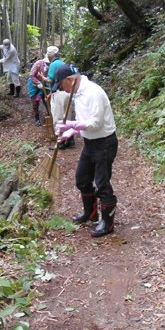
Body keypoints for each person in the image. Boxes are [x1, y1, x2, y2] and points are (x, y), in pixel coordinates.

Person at [53, 64, 118, 237]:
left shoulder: (93, 93)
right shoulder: (77, 93)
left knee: (102, 183)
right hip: (90, 143)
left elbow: (96, 123)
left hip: (104, 143)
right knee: (82, 179)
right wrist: (71, 132)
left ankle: (107, 222)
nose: (62, 90)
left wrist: (72, 124)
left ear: (70, 80)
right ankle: (90, 213)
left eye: (61, 86)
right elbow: (84, 120)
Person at [44, 46, 75, 149]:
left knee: (58, 117)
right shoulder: (62, 63)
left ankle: (60, 142)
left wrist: (42, 77)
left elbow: (51, 80)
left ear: (50, 56)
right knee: (67, 116)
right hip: (68, 92)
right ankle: (70, 140)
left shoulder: (53, 64)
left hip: (59, 94)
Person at [27, 54, 50, 126]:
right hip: (33, 85)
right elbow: (32, 75)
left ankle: (49, 115)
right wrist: (38, 83)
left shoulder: (51, 65)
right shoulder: (38, 63)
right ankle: (37, 119)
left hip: (43, 84)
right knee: (35, 102)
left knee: (46, 100)